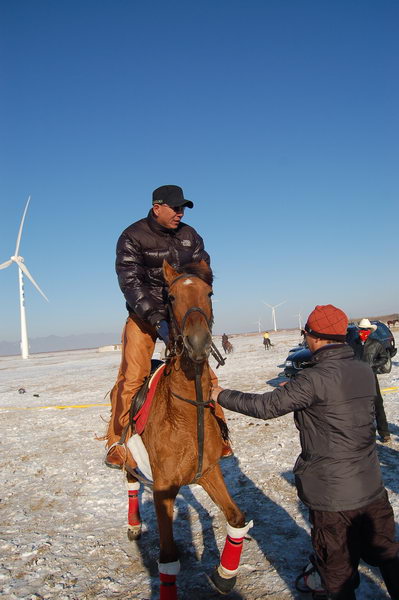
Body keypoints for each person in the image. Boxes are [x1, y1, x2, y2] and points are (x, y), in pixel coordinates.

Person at [211, 304, 399, 600]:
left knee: (337, 576)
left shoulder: (312, 379)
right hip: (372, 488)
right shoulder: (363, 370)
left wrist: (219, 395)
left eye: (305, 333)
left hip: (333, 498)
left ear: (315, 337)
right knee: (388, 555)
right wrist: (298, 389)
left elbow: (264, 407)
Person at [105, 184, 231, 469]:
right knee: (133, 377)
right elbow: (131, 283)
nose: (180, 213)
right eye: (175, 208)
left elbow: (204, 274)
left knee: (205, 376)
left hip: (180, 320)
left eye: (183, 208)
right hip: (143, 317)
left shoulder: (190, 236)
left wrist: (192, 314)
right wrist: (156, 320)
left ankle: (220, 433)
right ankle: (117, 442)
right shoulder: (132, 236)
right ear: (156, 207)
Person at [349, 318, 390, 443]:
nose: (363, 332)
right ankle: (364, 434)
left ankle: (384, 433)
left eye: (366, 330)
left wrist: (372, 365)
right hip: (357, 379)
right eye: (361, 329)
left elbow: (384, 357)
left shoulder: (376, 344)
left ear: (370, 331)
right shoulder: (353, 344)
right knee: (361, 406)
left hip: (371, 377)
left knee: (378, 405)